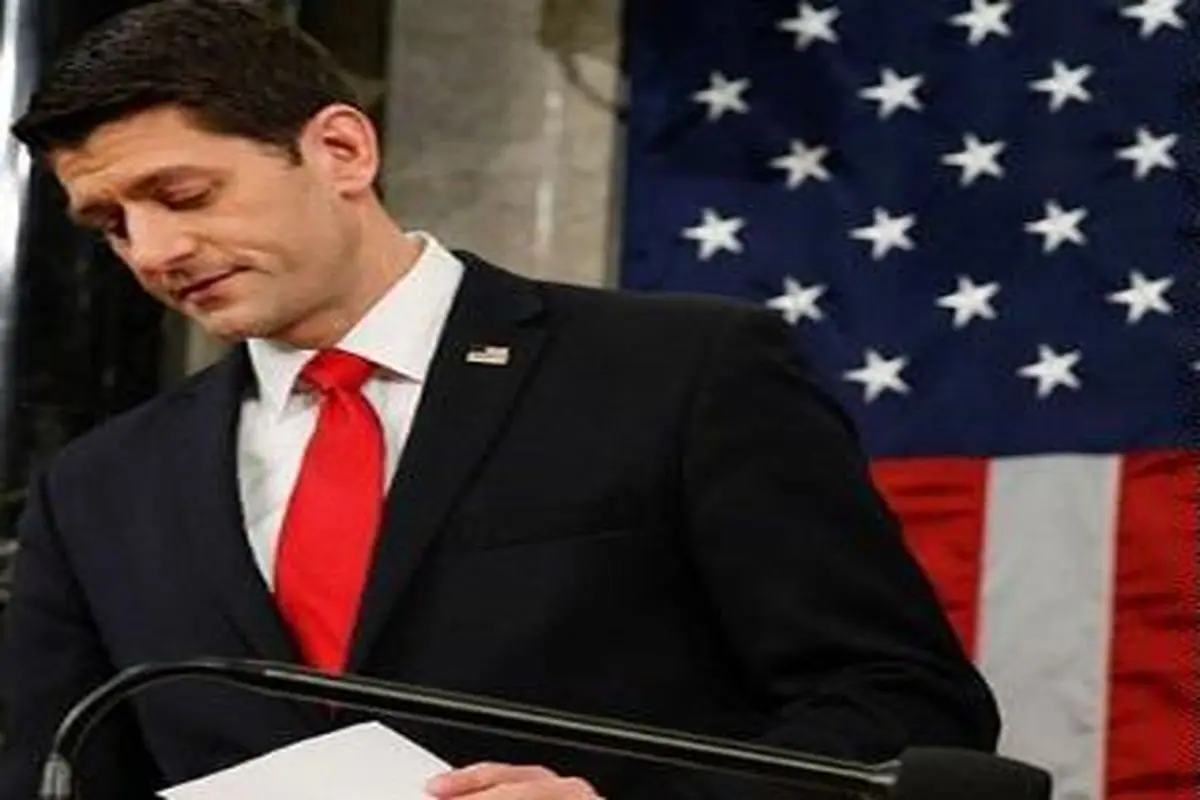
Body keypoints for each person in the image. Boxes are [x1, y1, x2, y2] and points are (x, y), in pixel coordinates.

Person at [0, 1, 1000, 798]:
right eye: (110, 225)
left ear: (342, 151)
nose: (155, 251)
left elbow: (900, 703)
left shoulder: (682, 371)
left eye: (184, 196)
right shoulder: (97, 488)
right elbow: (55, 770)